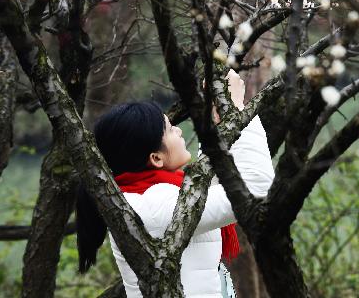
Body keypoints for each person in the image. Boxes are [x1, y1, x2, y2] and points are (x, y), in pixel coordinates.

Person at [76, 70, 274, 297]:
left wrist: (218, 126)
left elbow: (211, 187)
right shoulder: (154, 206)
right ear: (156, 158)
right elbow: (255, 191)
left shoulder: (148, 195)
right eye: (170, 129)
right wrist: (239, 111)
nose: (179, 130)